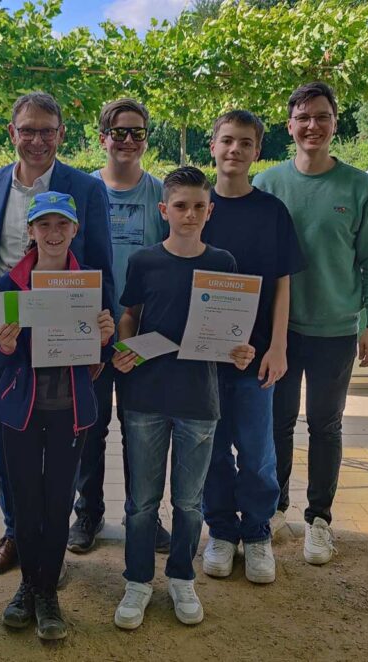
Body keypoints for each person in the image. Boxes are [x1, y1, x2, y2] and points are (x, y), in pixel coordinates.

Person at [0, 91, 114, 577]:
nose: (37, 140)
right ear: (12, 133)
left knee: (66, 444)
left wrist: (105, 337)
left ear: (61, 134)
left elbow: (102, 266)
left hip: (68, 334)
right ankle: (16, 532)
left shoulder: (85, 188)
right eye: (28, 130)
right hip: (10, 337)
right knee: (7, 440)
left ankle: (54, 535)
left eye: (48, 130)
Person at [253, 82, 368, 565]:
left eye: (322, 116)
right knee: (277, 423)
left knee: (326, 425)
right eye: (303, 116)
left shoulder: (360, 187)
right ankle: (273, 509)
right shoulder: (268, 184)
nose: (313, 125)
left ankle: (319, 520)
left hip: (336, 330)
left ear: (335, 123)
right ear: (289, 125)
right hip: (280, 331)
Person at [112, 167, 254, 630]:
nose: (189, 214)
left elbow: (234, 333)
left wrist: (241, 350)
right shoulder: (144, 262)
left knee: (189, 504)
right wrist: (124, 348)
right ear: (163, 210)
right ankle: (136, 581)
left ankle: (180, 577)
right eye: (180, 206)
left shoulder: (225, 264)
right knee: (141, 503)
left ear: (209, 211)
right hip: (145, 398)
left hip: (199, 400)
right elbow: (129, 316)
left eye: (198, 206)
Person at [0, 191, 115, 640]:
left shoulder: (90, 284)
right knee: (25, 500)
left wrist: (105, 336)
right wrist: (2, 345)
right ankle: (27, 585)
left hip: (71, 411)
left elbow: (103, 355)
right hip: (20, 411)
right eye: (45, 225)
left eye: (62, 225)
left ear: (75, 230)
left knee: (58, 501)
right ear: (32, 231)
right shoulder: (9, 285)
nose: (54, 234)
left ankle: (47, 592)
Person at [200, 111, 305, 585]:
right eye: (227, 141)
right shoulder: (197, 208)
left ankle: (258, 532)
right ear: (213, 147)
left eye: (245, 142)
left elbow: (282, 284)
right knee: (212, 451)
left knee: (259, 452)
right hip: (202, 357)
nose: (235, 150)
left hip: (257, 355)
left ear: (257, 151)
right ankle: (221, 532)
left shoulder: (271, 211)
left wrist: (277, 345)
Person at [68, 98, 170, 554]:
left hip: (142, 335)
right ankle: (87, 515)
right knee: (89, 427)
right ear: (103, 136)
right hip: (89, 330)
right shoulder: (84, 192)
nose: (128, 140)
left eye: (138, 131)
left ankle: (142, 516)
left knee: (141, 429)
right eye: (119, 131)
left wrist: (141, 335)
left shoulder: (161, 195)